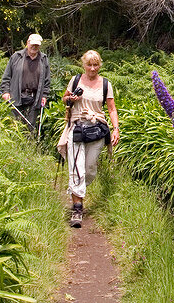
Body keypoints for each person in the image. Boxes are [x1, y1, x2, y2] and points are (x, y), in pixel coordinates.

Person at [57, 49, 119, 228]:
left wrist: (115, 129)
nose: (92, 68)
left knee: (89, 169)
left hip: (97, 129)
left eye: (95, 65)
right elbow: (65, 99)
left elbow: (111, 108)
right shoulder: (76, 80)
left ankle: (76, 189)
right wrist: (71, 98)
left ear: (99, 65)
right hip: (76, 127)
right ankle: (77, 209)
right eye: (89, 65)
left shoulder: (106, 84)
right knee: (77, 168)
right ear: (83, 65)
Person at [0, 33, 50, 135]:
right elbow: (6, 77)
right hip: (16, 96)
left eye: (37, 45)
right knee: (15, 127)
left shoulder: (43, 59)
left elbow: (47, 80)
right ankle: (15, 149)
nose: (34, 47)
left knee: (29, 129)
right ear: (27, 43)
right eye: (32, 44)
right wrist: (5, 91)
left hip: (34, 99)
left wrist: (44, 95)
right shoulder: (16, 57)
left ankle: (28, 149)